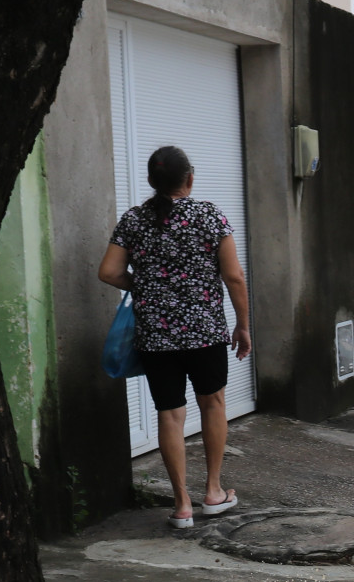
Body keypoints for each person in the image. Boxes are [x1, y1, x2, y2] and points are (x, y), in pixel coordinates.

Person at [99, 146, 252, 529]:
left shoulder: (133, 221)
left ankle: (182, 505)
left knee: (169, 413)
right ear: (190, 178)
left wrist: (146, 285)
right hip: (204, 332)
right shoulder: (209, 216)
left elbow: (108, 272)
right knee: (213, 404)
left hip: (155, 335)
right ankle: (213, 493)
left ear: (151, 181)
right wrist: (243, 325)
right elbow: (234, 277)